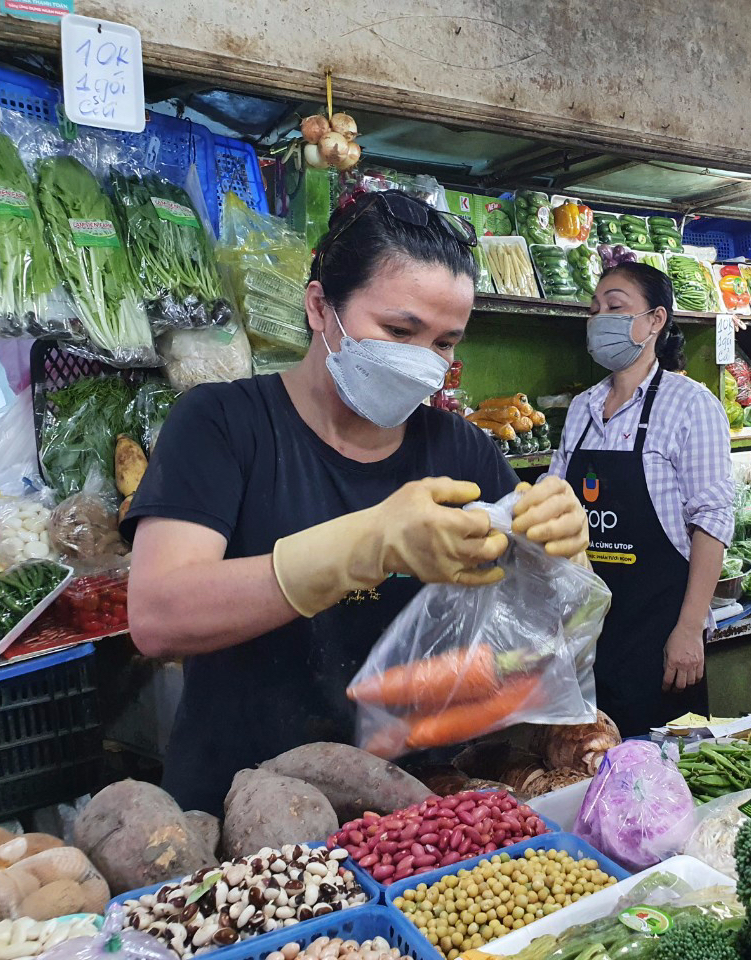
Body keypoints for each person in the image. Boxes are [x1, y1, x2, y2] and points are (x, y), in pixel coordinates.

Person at [124, 190, 589, 814]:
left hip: (419, 813)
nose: (424, 363)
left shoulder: (462, 451)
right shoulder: (221, 425)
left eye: (446, 343)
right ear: (320, 307)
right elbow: (158, 617)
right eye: (399, 331)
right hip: (247, 817)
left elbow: (536, 636)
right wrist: (361, 547)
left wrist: (560, 556)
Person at [547, 262, 734, 736]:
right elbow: (555, 510)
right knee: (584, 768)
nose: (600, 318)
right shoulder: (582, 409)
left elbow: (711, 522)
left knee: (663, 780)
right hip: (587, 639)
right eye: (594, 310)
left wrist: (690, 629)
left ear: (655, 320)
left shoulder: (691, 404)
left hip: (661, 636)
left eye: (615, 306)